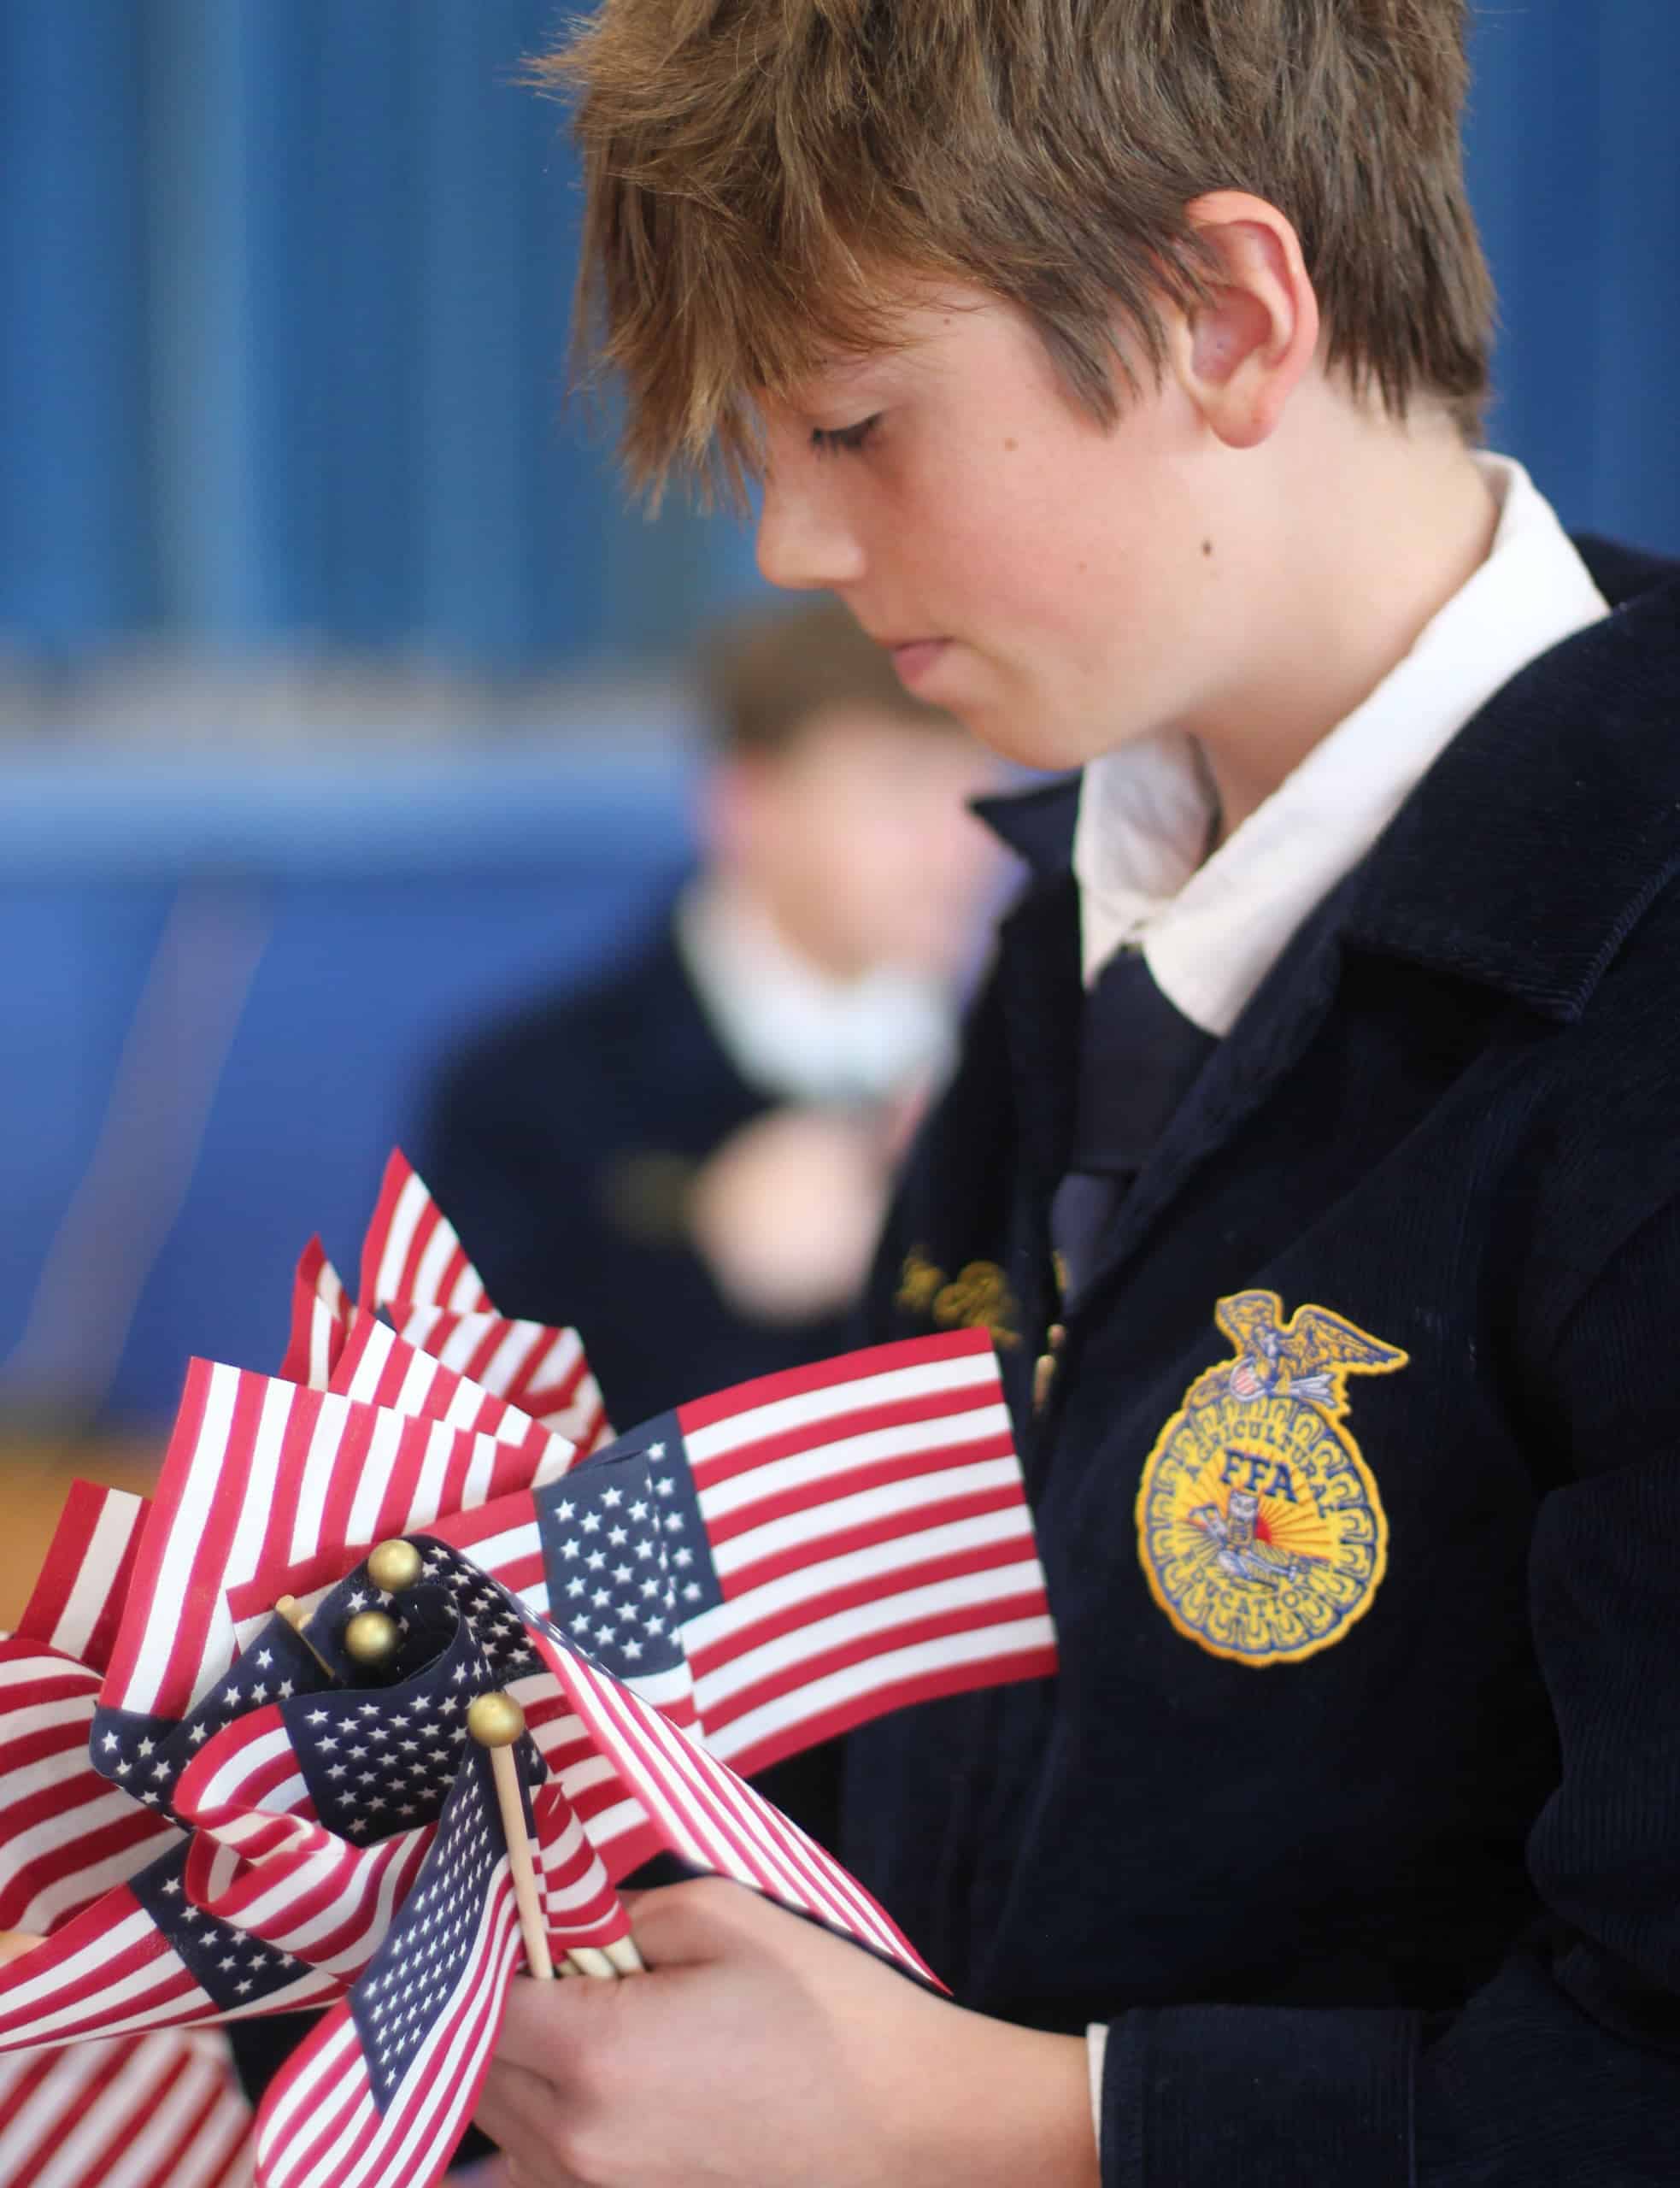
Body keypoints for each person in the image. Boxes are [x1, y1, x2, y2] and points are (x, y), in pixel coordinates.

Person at [473, 4, 1680, 2182]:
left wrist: (1006, 2118)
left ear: (1220, 318)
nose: (787, 547)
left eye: (849, 423)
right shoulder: (1068, 909)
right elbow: (929, 1690)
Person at [420, 595, 1002, 1429]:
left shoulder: (1044, 1063)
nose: (961, 845)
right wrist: (707, 1273)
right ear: (747, 808)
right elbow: (466, 1455)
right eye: (900, 791)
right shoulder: (526, 1095)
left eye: (978, 788)